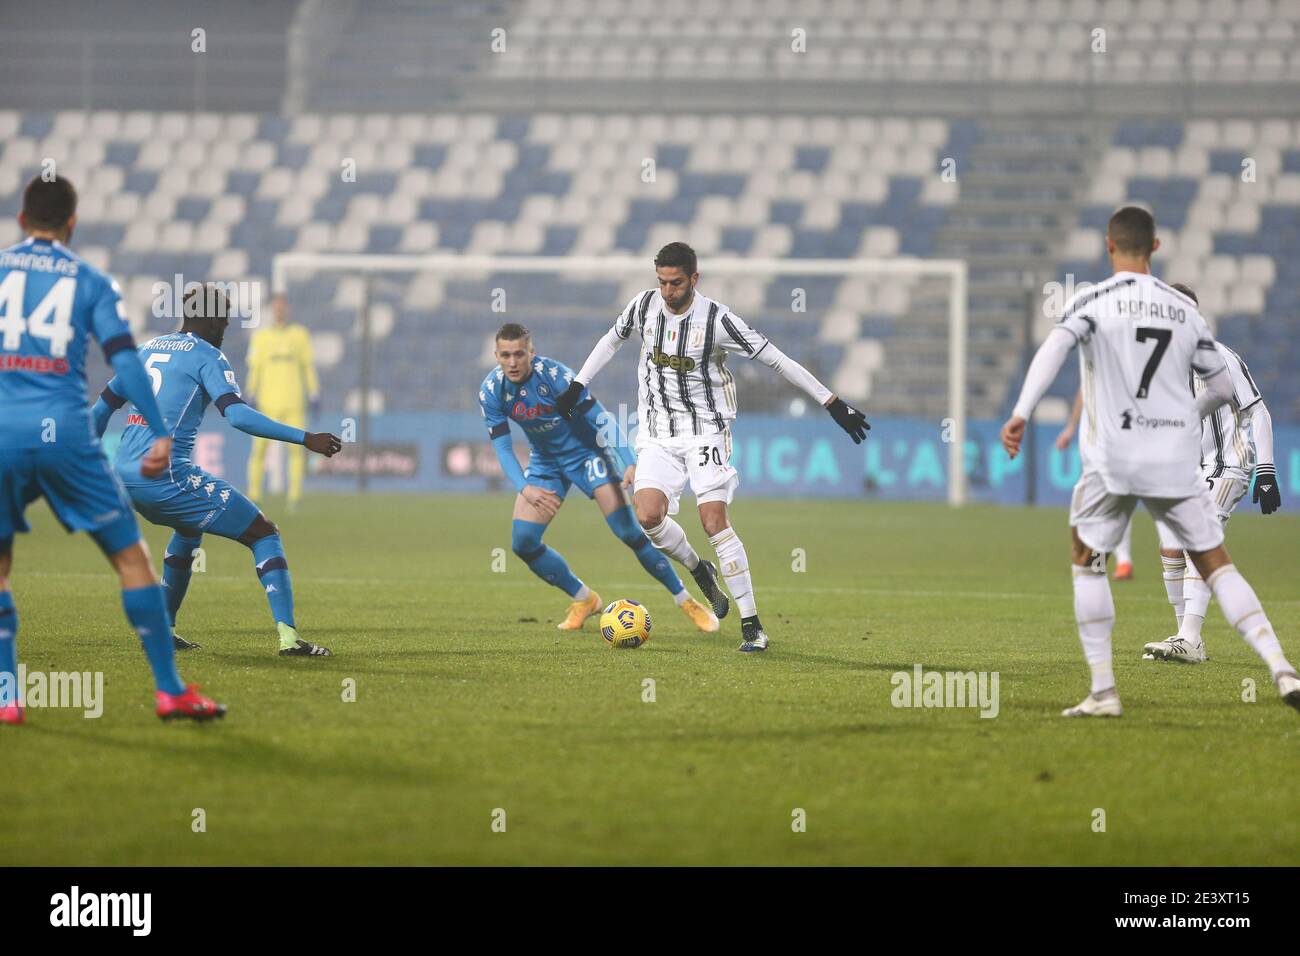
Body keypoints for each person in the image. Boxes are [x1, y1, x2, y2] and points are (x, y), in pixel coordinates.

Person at [1000, 205, 1298, 716]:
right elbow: (1223, 389)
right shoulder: (1183, 311)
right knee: (1214, 561)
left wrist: (1022, 412)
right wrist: (1186, 413)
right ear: (1156, 247)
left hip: (1116, 459)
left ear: (1108, 246)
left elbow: (1054, 347)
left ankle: (1104, 691)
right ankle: (1282, 670)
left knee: (1087, 561)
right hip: (1173, 462)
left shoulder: (1096, 299)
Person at [555, 241, 869, 652]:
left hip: (706, 430)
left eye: (677, 283)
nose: (668, 291)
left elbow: (777, 359)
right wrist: (579, 385)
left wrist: (832, 402)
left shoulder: (718, 320)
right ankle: (698, 568)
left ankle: (752, 624)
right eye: (662, 282)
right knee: (648, 515)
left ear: (694, 279)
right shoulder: (643, 306)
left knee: (713, 521)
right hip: (656, 432)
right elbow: (611, 340)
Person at [0, 175, 223, 723]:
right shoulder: (91, 281)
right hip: (67, 435)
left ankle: (8, 698)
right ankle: (169, 690)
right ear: (71, 224)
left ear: (23, 221)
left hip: (4, 432)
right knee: (131, 557)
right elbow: (126, 362)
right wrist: (164, 434)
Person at [94, 284, 341, 656]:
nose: (225, 330)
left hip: (125, 476)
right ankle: (290, 638)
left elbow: (101, 409)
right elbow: (238, 416)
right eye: (222, 323)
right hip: (166, 477)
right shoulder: (206, 356)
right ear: (206, 319)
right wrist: (306, 438)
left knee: (189, 528)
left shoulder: (146, 349)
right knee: (264, 533)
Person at [480, 322, 719, 633]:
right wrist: (525, 488)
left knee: (630, 533)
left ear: (532, 353)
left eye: (519, 354)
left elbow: (602, 417)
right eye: (505, 355)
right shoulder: (492, 391)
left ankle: (686, 601)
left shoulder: (556, 378)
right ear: (496, 355)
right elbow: (502, 448)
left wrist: (629, 462)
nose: (512, 362)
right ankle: (585, 599)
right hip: (545, 463)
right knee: (523, 542)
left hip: (588, 455)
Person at [245, 294, 319, 511]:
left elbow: (308, 366)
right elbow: (255, 369)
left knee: (297, 450)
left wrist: (314, 392)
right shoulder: (261, 337)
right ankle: (254, 494)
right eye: (276, 307)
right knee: (259, 450)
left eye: (283, 307)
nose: (279, 311)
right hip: (267, 404)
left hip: (294, 402)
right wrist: (250, 393)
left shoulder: (300, 335)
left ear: (288, 309)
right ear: (271, 310)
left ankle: (294, 497)